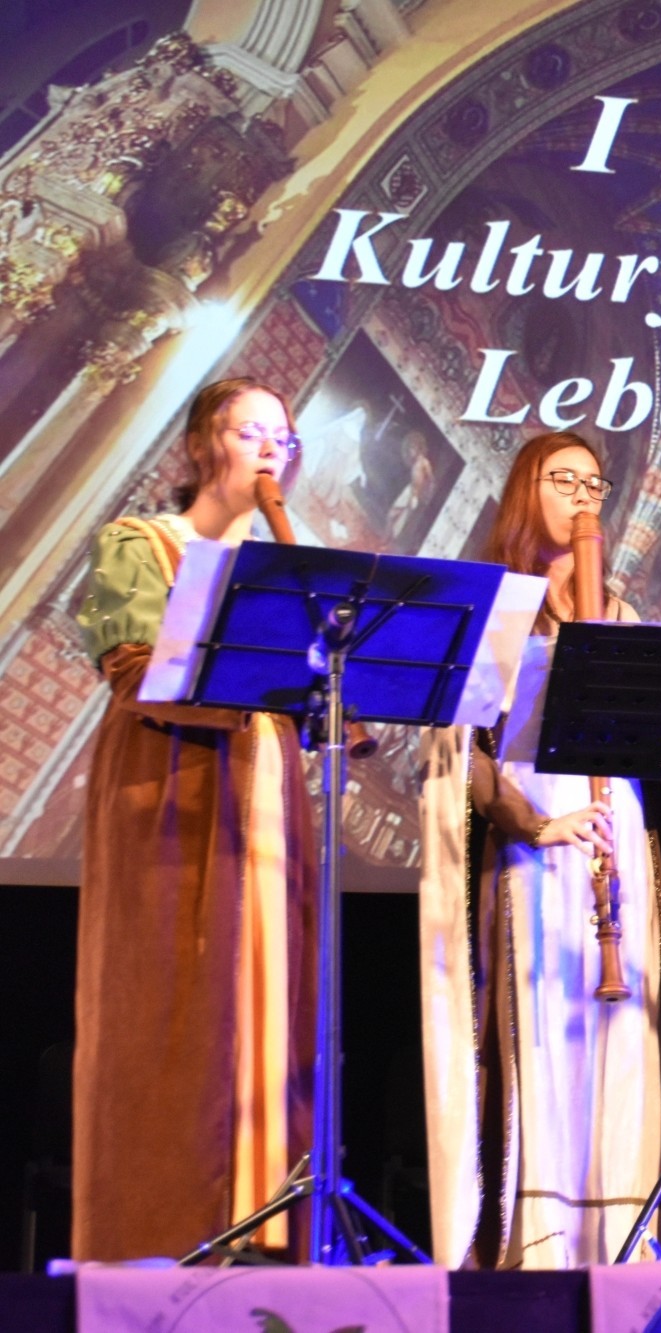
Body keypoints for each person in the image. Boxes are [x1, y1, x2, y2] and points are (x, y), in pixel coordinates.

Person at [72, 378, 319, 1260]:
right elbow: (134, 667)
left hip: (265, 786)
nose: (271, 447)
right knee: (173, 1006)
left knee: (276, 1003)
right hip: (170, 780)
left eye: (283, 435)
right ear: (198, 445)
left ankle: (270, 1236)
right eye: (249, 430)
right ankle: (164, 1239)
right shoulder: (140, 542)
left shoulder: (292, 565)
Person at [416, 430, 661, 1268]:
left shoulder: (619, 612)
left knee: (619, 1037)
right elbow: (463, 754)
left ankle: (619, 1240)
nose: (585, 496)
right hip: (538, 841)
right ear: (529, 490)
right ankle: (544, 1245)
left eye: (595, 483)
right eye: (566, 480)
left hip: (613, 832)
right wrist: (532, 822)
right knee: (547, 1034)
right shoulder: (499, 606)